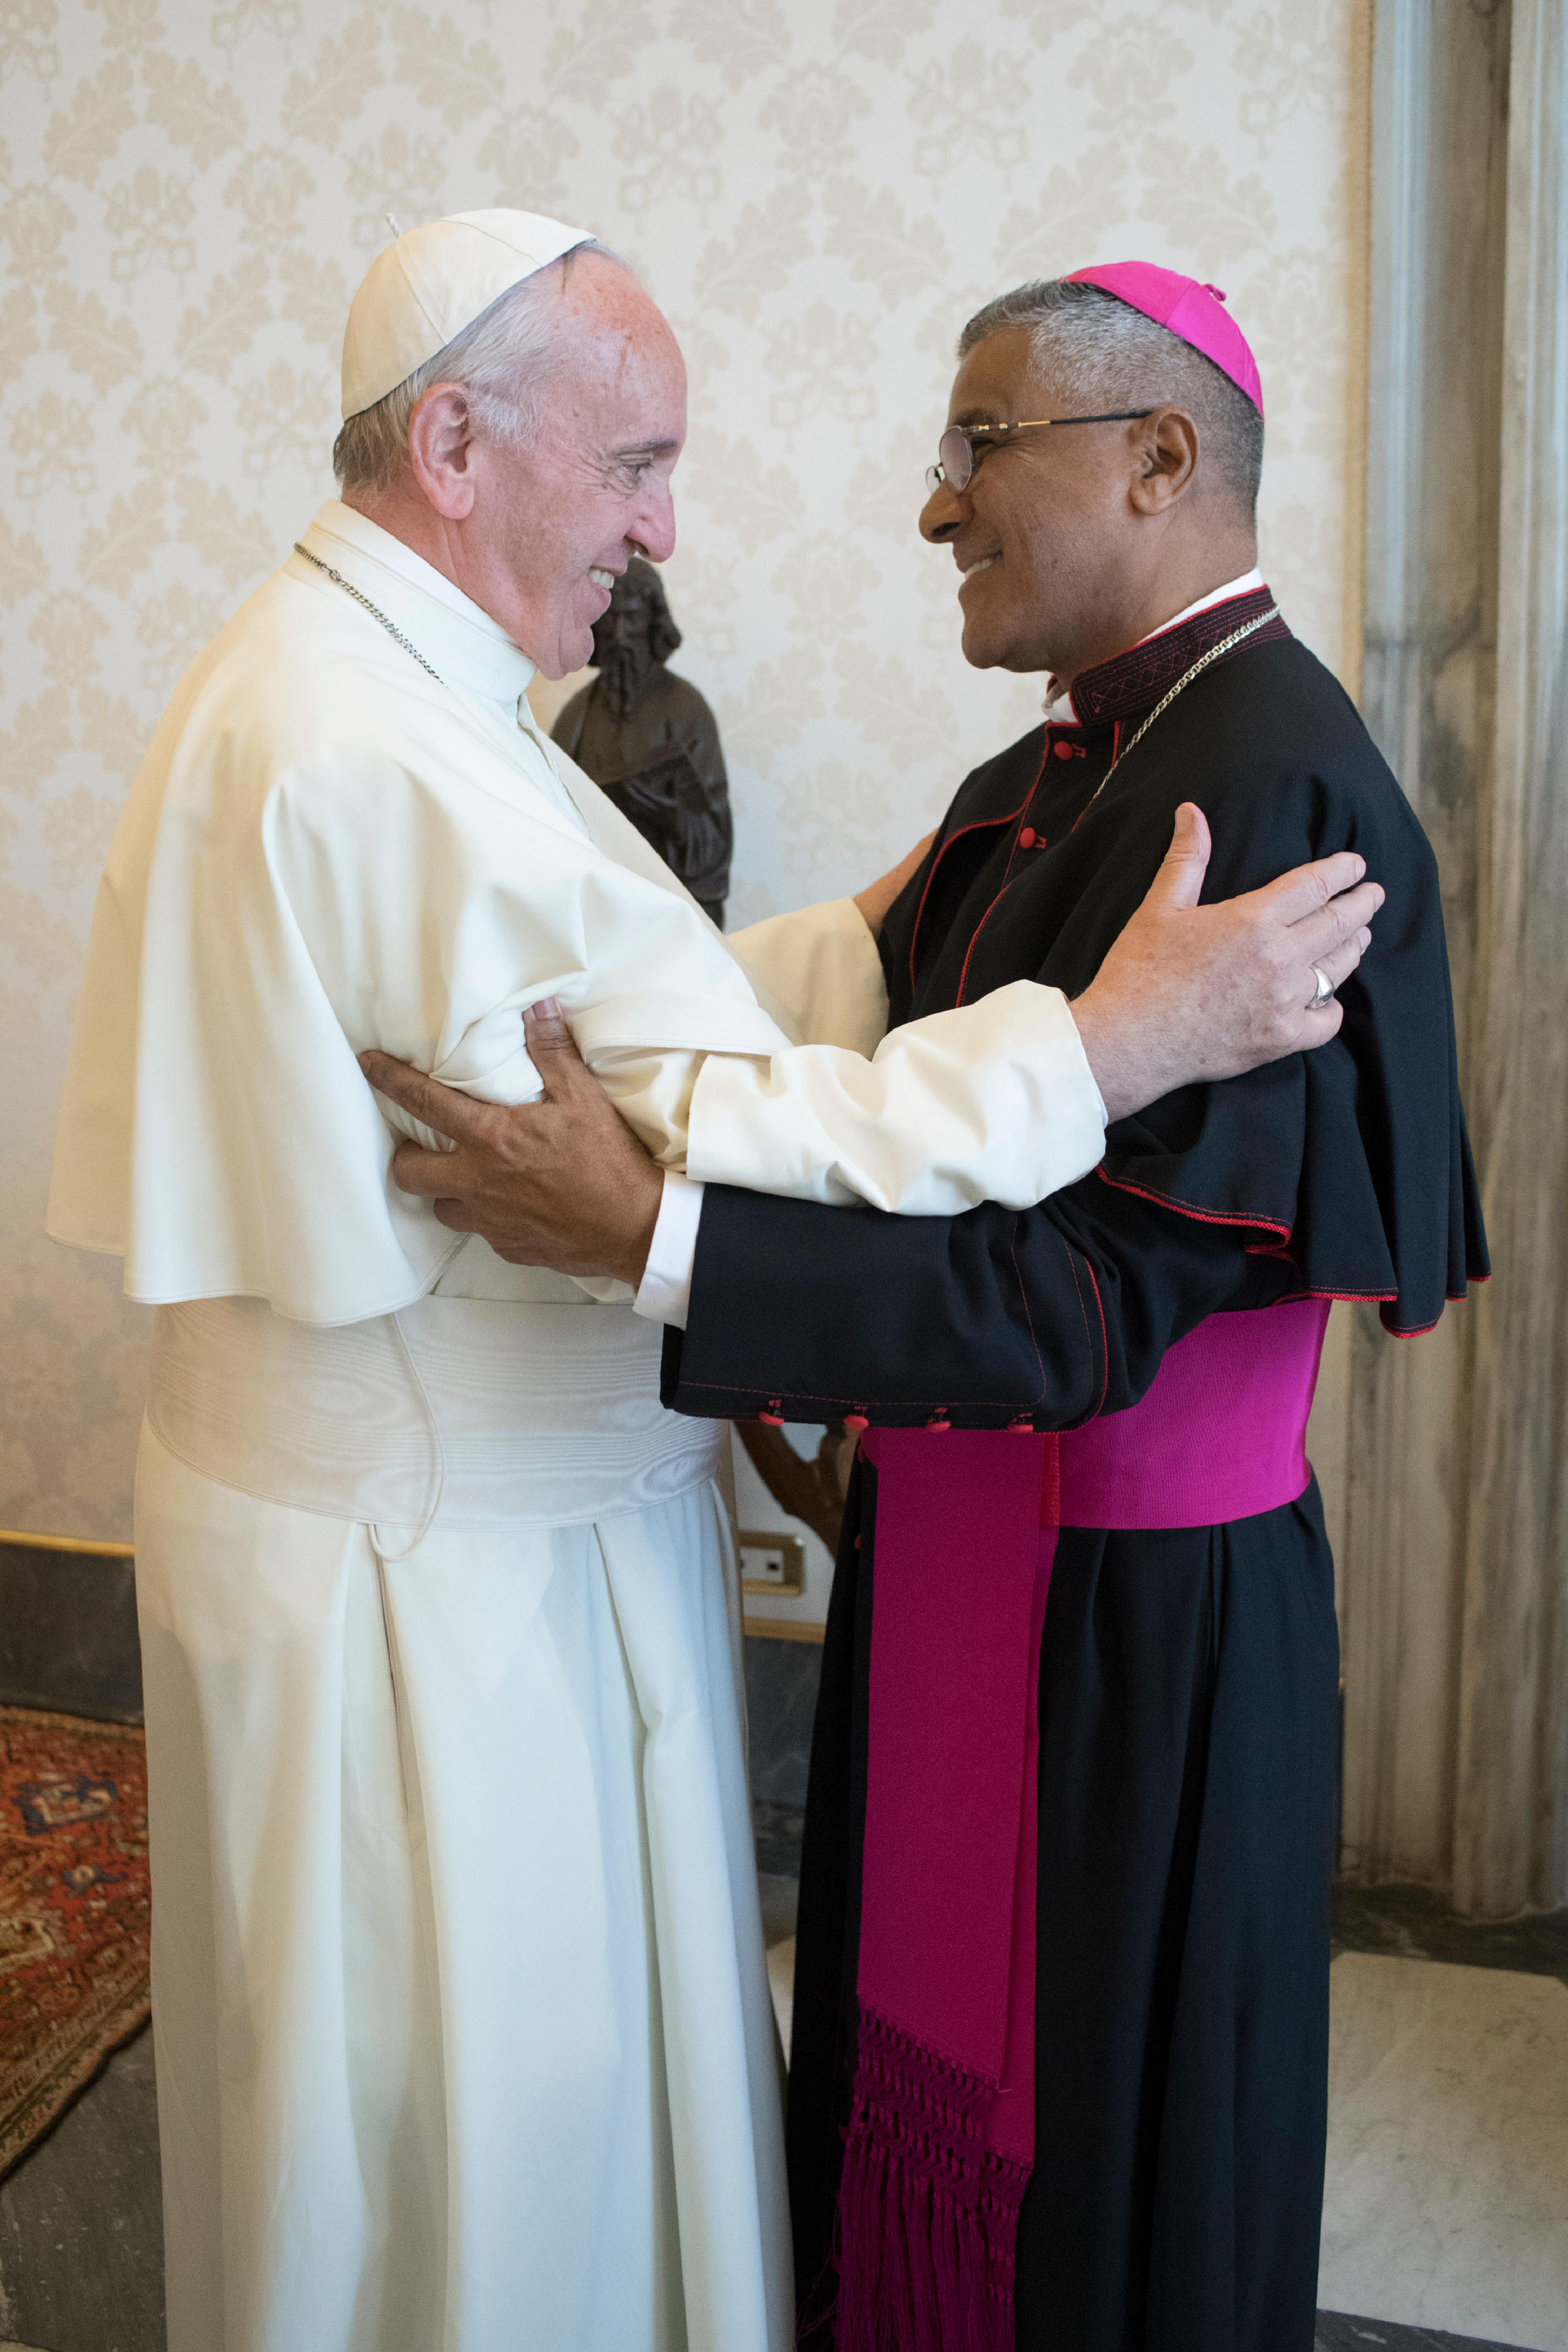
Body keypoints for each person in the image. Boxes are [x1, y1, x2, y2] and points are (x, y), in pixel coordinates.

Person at [47, 208, 1375, 2352]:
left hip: (423, 1544)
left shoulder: (369, 674)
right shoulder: (374, 742)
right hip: (448, 1602)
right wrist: (1109, 1042)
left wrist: (865, 934)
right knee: (490, 2162)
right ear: (455, 445)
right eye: (635, 464)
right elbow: (704, 1116)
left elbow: (617, 1009)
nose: (663, 530)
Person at [360, 264, 1482, 2352]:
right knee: (911, 2138)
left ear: (1160, 456)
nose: (933, 502)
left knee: (1105, 2207)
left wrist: (646, 1235)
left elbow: (1085, 1306)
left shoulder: (1269, 795)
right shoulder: (1059, 770)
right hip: (969, 1560)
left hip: (1138, 1638)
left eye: (981, 444)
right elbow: (853, 1056)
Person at [552, 555, 733, 922]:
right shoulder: (576, 717)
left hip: (672, 909)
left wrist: (674, 818)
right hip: (600, 906)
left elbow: (714, 843)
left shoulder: (686, 710)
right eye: (611, 619)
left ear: (653, 622)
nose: (620, 634)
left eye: (632, 617)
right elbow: (550, 822)